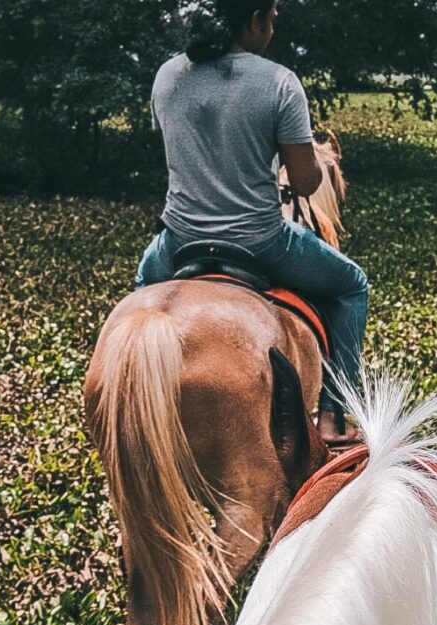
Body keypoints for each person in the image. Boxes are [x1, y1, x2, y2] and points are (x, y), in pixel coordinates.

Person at [135, 0, 368, 445]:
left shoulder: (167, 76)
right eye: (272, 19)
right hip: (261, 240)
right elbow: (302, 183)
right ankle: (334, 417)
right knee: (352, 285)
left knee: (143, 295)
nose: (274, 28)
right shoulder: (279, 82)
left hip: (178, 239)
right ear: (254, 21)